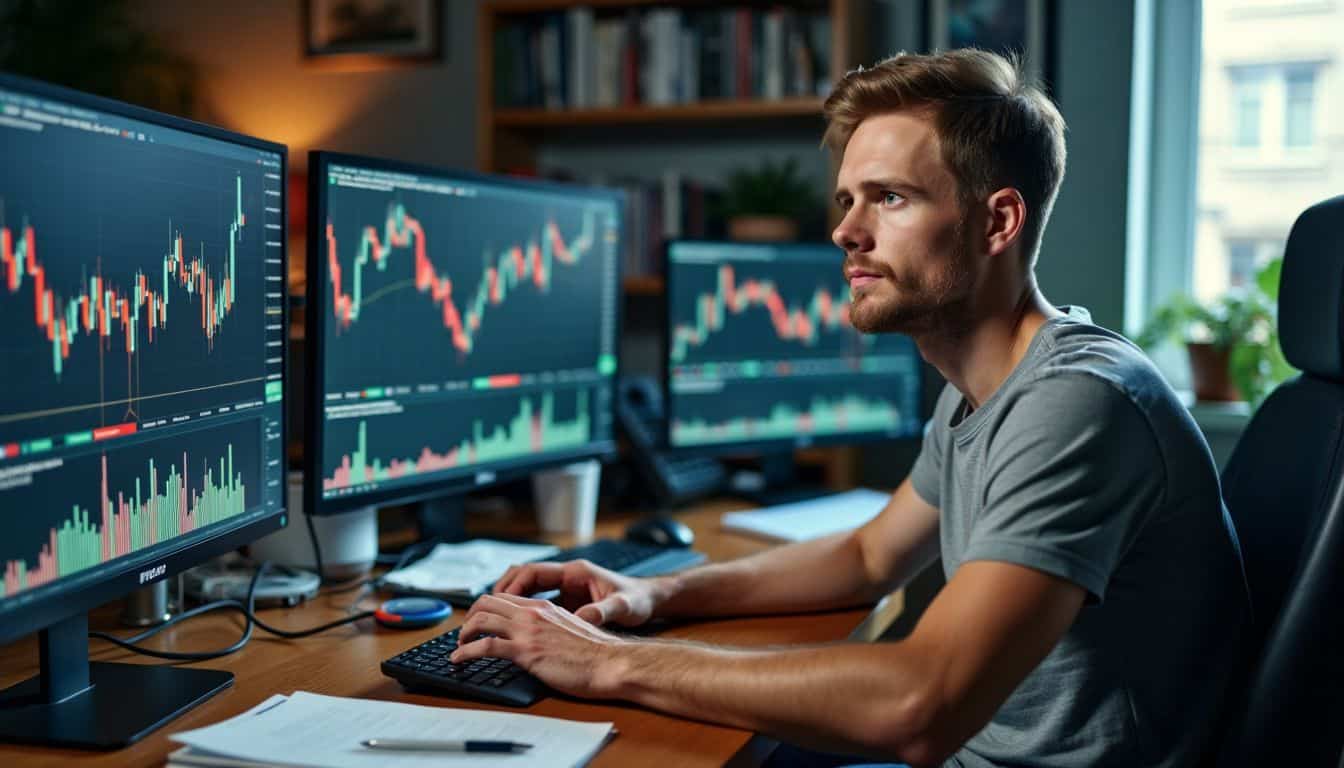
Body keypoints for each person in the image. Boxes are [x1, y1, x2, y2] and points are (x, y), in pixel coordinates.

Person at [451, 49, 1249, 768]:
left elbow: (922, 704)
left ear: (998, 220)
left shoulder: (1078, 400)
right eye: (846, 200)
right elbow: (870, 555)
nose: (845, 231)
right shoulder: (985, 382)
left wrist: (605, 662)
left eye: (890, 198)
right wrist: (661, 594)